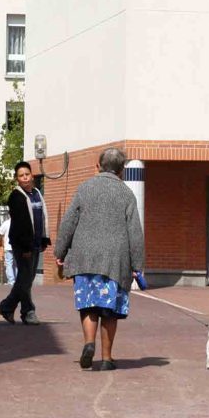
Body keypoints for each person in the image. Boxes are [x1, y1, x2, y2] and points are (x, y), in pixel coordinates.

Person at [54, 147, 144, 371]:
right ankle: (106, 358)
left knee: (88, 306)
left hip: (85, 257)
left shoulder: (84, 188)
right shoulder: (126, 193)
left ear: (98, 166)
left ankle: (88, 343)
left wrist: (60, 252)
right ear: (122, 171)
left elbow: (68, 222)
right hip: (115, 260)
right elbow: (135, 232)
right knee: (109, 311)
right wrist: (137, 265)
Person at [0, 162, 48, 325]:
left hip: (35, 243)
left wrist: (44, 239)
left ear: (32, 175)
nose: (25, 177)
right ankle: (25, 311)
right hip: (22, 245)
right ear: (17, 179)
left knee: (26, 279)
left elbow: (42, 218)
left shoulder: (37, 193)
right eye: (21, 175)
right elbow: (20, 224)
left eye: (27, 174)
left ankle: (9, 308)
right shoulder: (16, 197)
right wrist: (25, 247)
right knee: (24, 280)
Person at [0, 216, 16, 284]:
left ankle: (11, 281)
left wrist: (0, 243)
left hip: (8, 247)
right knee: (17, 264)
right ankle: (17, 280)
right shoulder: (20, 223)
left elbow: (0, 233)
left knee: (9, 264)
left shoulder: (6, 223)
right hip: (18, 247)